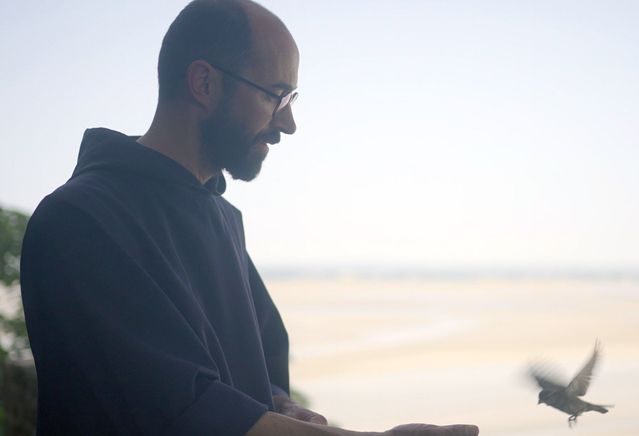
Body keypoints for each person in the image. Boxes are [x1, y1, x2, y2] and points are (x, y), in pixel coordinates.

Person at [20, 1, 479, 435]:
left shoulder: (222, 217)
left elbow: (258, 367)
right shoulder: (80, 222)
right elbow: (186, 415)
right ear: (204, 83)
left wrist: (279, 404)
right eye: (276, 96)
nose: (288, 124)